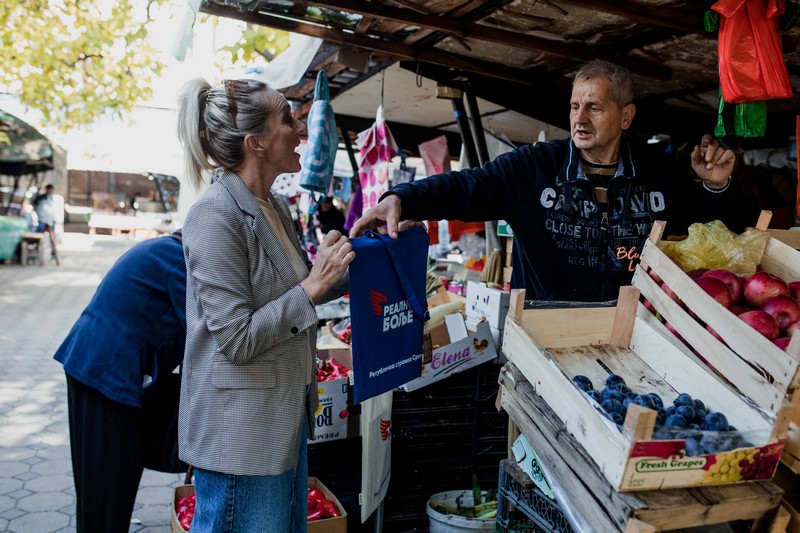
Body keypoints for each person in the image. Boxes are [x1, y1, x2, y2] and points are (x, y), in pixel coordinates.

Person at [351, 60, 746, 302]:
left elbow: (714, 237)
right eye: (575, 106)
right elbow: (467, 185)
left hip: (635, 334)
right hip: (543, 336)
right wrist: (402, 198)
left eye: (594, 107)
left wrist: (716, 187)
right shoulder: (534, 169)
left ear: (626, 117)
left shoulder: (660, 173)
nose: (580, 118)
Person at [176, 77, 352, 533]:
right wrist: (313, 287)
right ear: (255, 143)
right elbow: (236, 339)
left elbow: (298, 294)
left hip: (280, 418)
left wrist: (354, 257)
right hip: (241, 436)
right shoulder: (215, 214)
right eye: (287, 120)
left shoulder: (272, 205)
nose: (301, 130)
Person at [53, 230, 187, 533]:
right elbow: (214, 332)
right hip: (105, 374)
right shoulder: (181, 262)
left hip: (102, 367)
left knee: (103, 487)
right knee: (106, 496)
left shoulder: (171, 249)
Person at [32, 183, 59, 261]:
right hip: (42, 220)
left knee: (52, 237)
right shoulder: (41, 198)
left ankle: (53, 253)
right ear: (47, 189)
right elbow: (35, 204)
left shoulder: (52, 198)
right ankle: (36, 252)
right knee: (39, 236)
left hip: (51, 220)